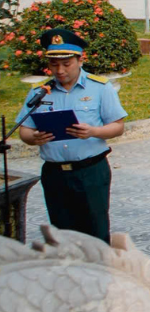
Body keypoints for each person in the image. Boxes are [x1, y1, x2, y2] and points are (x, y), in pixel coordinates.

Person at [16, 28, 127, 242]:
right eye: (54, 64)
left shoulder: (100, 88)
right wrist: (33, 138)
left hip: (90, 171)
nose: (60, 70)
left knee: (95, 232)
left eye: (66, 64)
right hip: (54, 173)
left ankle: (98, 274)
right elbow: (24, 129)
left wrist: (94, 131)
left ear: (80, 60)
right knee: (61, 235)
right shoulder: (40, 92)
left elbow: (118, 126)